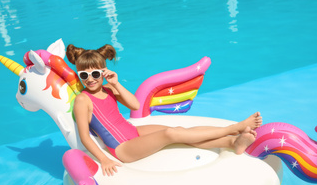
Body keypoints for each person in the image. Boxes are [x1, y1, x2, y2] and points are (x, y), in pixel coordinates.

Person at [66, 44, 263, 176]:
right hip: (122, 148)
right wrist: (103, 160)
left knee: (181, 131)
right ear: (79, 74)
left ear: (103, 71)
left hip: (132, 132)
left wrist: (116, 84)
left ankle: (233, 142)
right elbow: (84, 136)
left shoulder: (109, 88)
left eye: (95, 73)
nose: (89, 79)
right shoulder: (83, 100)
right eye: (84, 74)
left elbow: (134, 105)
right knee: (171, 133)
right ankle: (234, 128)